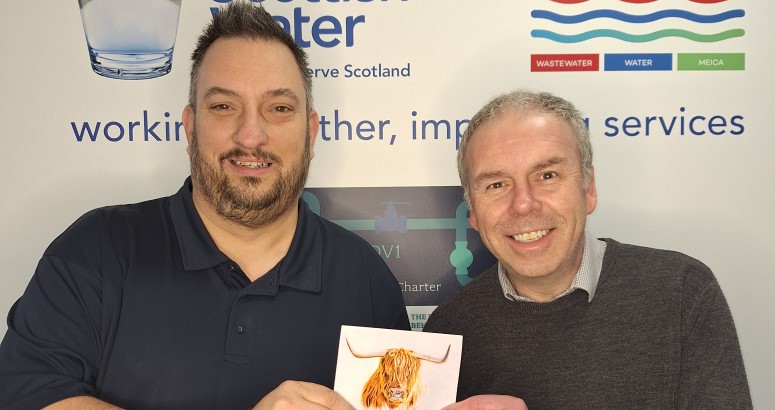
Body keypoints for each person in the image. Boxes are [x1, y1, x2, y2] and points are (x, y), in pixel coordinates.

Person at [0, 2, 409, 409]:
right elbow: (28, 396)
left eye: (279, 109)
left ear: (312, 132)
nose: (251, 136)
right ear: (191, 127)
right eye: (223, 106)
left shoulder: (367, 281)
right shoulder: (96, 251)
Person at [423, 90, 753, 409]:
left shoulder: (682, 291)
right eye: (496, 184)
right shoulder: (447, 331)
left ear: (589, 188)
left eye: (547, 175)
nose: (523, 204)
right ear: (474, 214)